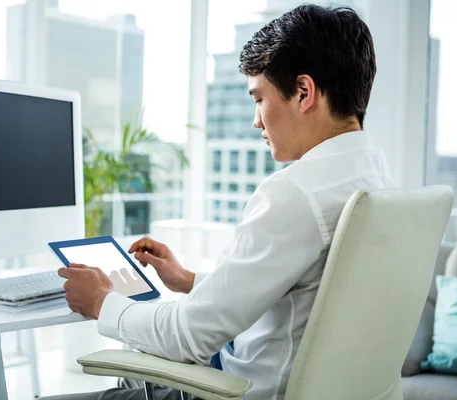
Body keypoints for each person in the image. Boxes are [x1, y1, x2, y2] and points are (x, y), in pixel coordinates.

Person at [42, 3, 394, 400]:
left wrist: (102, 302)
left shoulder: (297, 193)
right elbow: (301, 295)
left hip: (239, 389)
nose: (256, 120)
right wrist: (189, 281)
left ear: (303, 91)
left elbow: (188, 337)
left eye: (259, 98)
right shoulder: (378, 181)